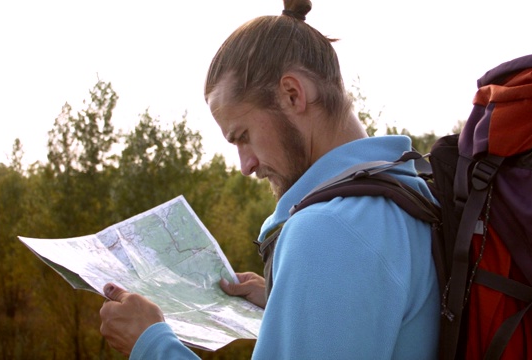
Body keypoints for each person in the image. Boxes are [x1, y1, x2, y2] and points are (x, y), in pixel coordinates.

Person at [99, 0, 440, 358]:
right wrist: (286, 298)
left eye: (242, 135)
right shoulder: (401, 193)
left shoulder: (330, 230)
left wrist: (151, 345)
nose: (245, 165)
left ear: (292, 95)